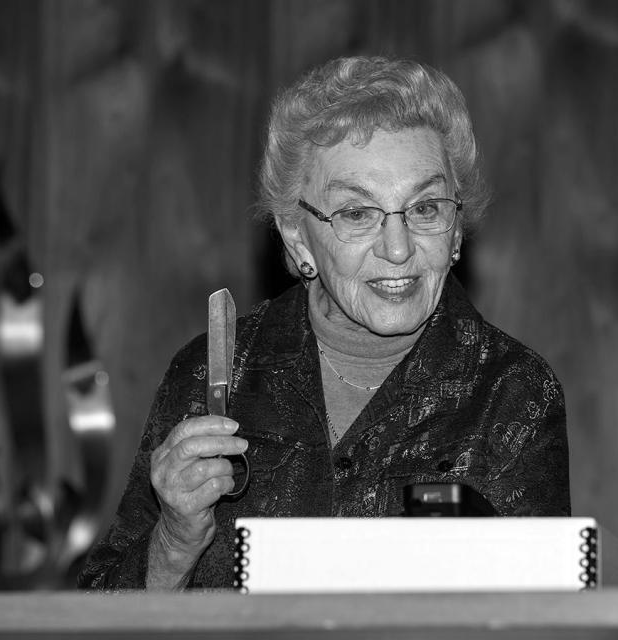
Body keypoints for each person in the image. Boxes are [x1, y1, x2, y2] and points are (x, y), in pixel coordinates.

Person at [78, 55, 570, 591]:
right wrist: (174, 542)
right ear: (296, 236)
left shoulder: (512, 390)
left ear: (455, 231)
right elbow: (96, 619)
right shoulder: (214, 373)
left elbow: (544, 613)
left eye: (425, 208)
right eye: (357, 213)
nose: (399, 248)